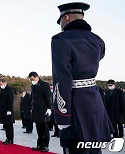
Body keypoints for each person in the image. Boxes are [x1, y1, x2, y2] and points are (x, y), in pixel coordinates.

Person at [51, 2, 114, 154]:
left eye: (60, 21)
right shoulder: (98, 40)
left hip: (74, 104)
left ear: (66, 17)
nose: (60, 25)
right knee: (94, 149)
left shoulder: (60, 40)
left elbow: (62, 78)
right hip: (94, 101)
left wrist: (62, 116)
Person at [28, 72, 51, 152]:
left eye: (32, 79)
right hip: (36, 111)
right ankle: (39, 145)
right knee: (39, 129)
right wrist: (31, 107)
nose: (32, 81)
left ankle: (45, 146)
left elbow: (48, 97)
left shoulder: (45, 85)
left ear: (37, 77)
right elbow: (32, 98)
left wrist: (49, 108)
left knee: (45, 129)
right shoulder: (33, 86)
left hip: (43, 110)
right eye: (31, 80)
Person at [0, 78, 15, 145]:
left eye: (1, 84)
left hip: (8, 110)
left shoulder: (9, 89)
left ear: (5, 83)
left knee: (9, 125)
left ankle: (10, 139)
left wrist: (9, 110)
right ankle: (7, 138)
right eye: (0, 84)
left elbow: (10, 100)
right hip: (3, 110)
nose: (0, 85)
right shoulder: (2, 90)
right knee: (6, 125)